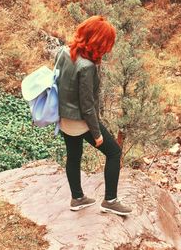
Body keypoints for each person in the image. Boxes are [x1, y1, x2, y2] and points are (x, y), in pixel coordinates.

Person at [54, 15, 132, 216]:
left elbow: (57, 80)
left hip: (64, 118)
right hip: (81, 121)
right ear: (98, 42)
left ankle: (77, 198)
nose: (109, 48)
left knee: (73, 156)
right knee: (114, 152)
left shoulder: (64, 51)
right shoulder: (87, 67)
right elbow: (87, 105)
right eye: (108, 44)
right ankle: (110, 200)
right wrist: (97, 133)